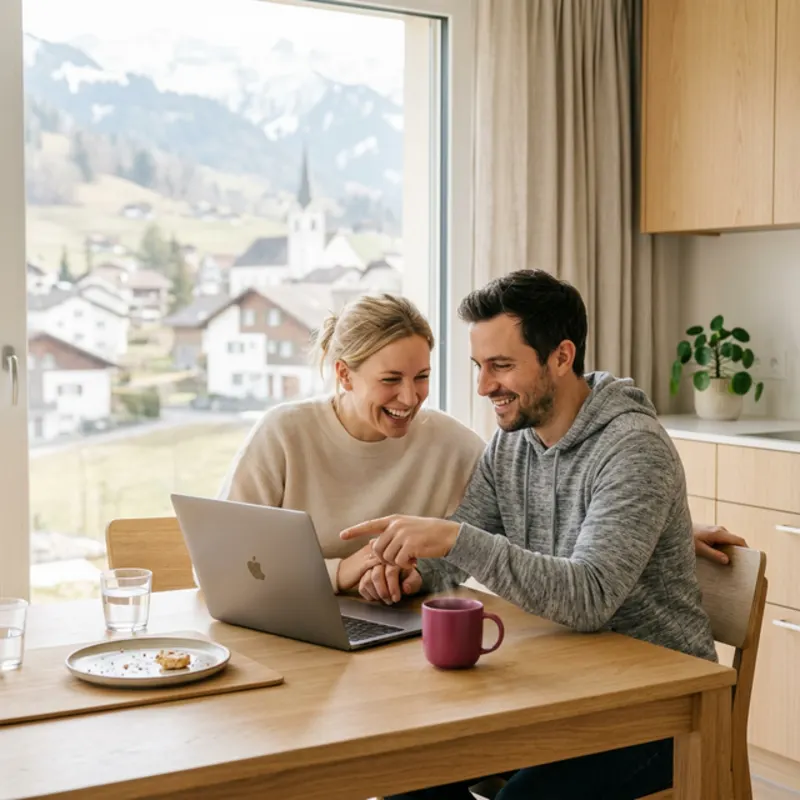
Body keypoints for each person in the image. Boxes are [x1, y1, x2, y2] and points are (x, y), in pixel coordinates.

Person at [341, 271, 744, 799]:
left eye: (501, 366)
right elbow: (457, 553)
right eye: (479, 367)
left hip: (661, 709)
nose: (484, 387)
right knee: (409, 774)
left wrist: (453, 538)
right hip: (561, 685)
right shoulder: (513, 442)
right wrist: (409, 573)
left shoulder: (633, 448)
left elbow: (589, 597)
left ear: (561, 357)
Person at [217, 293, 486, 594]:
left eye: (421, 377)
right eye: (390, 379)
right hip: (290, 617)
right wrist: (340, 572)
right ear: (344, 375)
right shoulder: (283, 433)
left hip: (405, 615)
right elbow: (220, 562)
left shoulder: (453, 444)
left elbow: (492, 542)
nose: (410, 398)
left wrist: (419, 572)